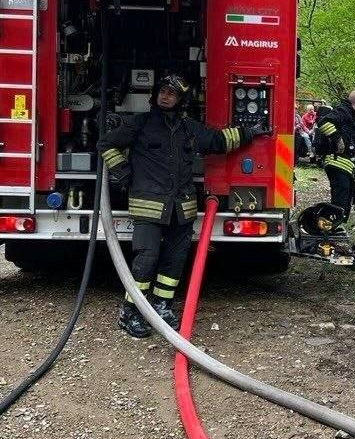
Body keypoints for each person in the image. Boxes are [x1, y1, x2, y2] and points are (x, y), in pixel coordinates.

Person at [99, 73, 266, 339]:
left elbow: (217, 141)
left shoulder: (189, 128)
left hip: (181, 208)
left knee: (175, 261)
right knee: (146, 260)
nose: (166, 97)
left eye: (172, 94)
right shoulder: (140, 124)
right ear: (155, 95)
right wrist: (123, 171)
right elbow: (106, 144)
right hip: (149, 207)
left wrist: (249, 133)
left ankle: (161, 305)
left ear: (181, 100)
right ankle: (131, 311)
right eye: (163, 92)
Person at [315, 90, 355, 220]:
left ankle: (336, 224)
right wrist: (337, 139)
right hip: (337, 162)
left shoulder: (352, 115)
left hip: (346, 165)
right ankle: (327, 224)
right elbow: (323, 122)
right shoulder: (344, 111)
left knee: (346, 200)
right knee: (340, 202)